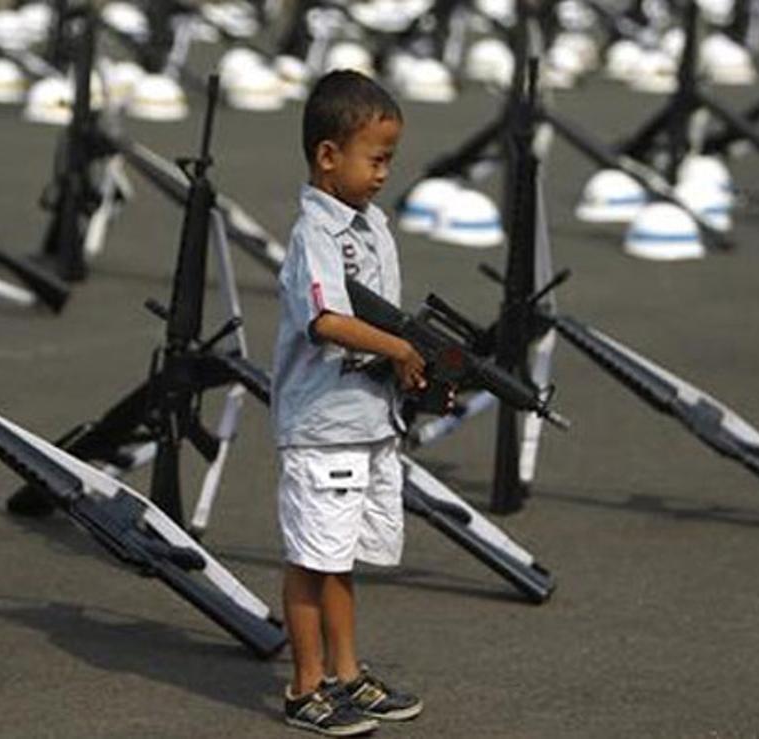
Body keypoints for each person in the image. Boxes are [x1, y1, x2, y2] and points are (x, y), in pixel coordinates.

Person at [271, 69, 426, 736]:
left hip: (365, 421)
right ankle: (306, 687)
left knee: (341, 560)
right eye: (377, 158)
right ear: (328, 156)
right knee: (313, 560)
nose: (384, 172)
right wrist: (399, 347)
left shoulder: (369, 226)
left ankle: (347, 674)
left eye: (390, 159)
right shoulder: (316, 234)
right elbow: (328, 318)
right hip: (323, 426)